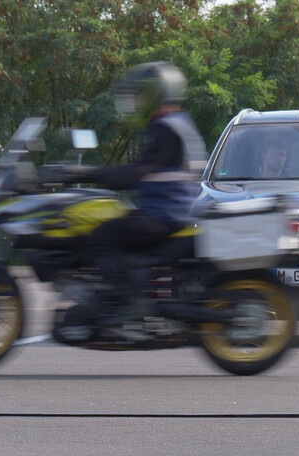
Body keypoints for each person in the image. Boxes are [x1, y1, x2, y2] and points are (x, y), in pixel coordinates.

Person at [53, 61, 207, 342]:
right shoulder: (175, 123)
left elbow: (136, 172)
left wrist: (86, 173)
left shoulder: (166, 128)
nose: (134, 102)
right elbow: (145, 169)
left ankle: (129, 301)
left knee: (102, 235)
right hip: (170, 210)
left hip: (167, 215)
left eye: (138, 95)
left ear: (154, 94)